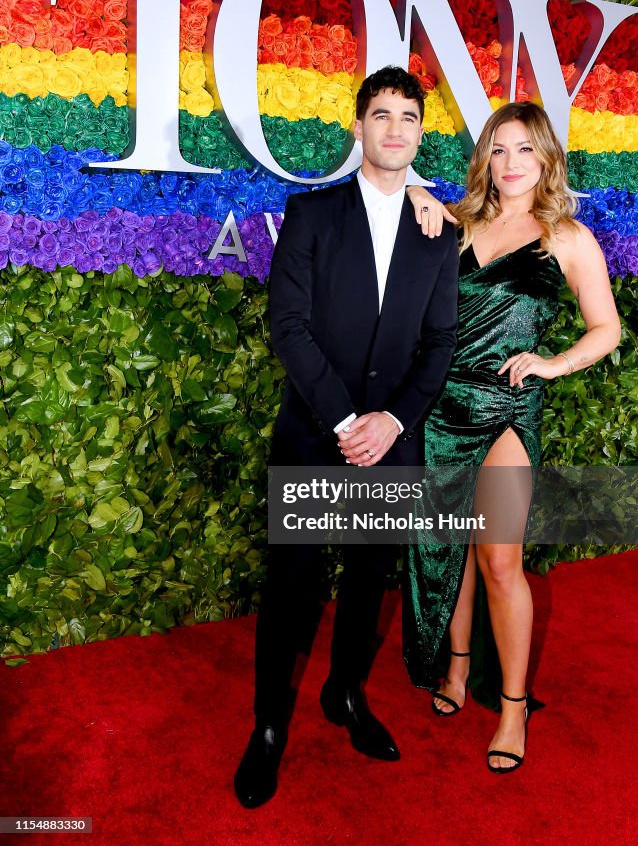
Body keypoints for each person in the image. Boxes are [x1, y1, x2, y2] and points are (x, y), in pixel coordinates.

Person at [234, 66, 459, 808]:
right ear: (357, 127)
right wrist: (343, 421)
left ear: (421, 134)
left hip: (390, 445)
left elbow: (439, 344)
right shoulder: (312, 214)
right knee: (293, 590)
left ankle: (346, 695)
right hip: (311, 436)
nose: (396, 129)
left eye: (409, 118)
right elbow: (288, 327)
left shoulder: (438, 233)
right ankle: (269, 727)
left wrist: (390, 422)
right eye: (382, 115)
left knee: (367, 586)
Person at [403, 101, 620, 773]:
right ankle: (458, 668)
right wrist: (414, 187)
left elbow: (605, 328)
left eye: (525, 149)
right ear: (484, 160)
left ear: (547, 158)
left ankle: (513, 707)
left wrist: (552, 364)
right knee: (451, 550)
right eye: (499, 150)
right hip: (442, 405)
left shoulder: (569, 238)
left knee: (498, 557)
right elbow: (403, 198)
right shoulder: (459, 224)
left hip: (506, 408)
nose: (511, 164)